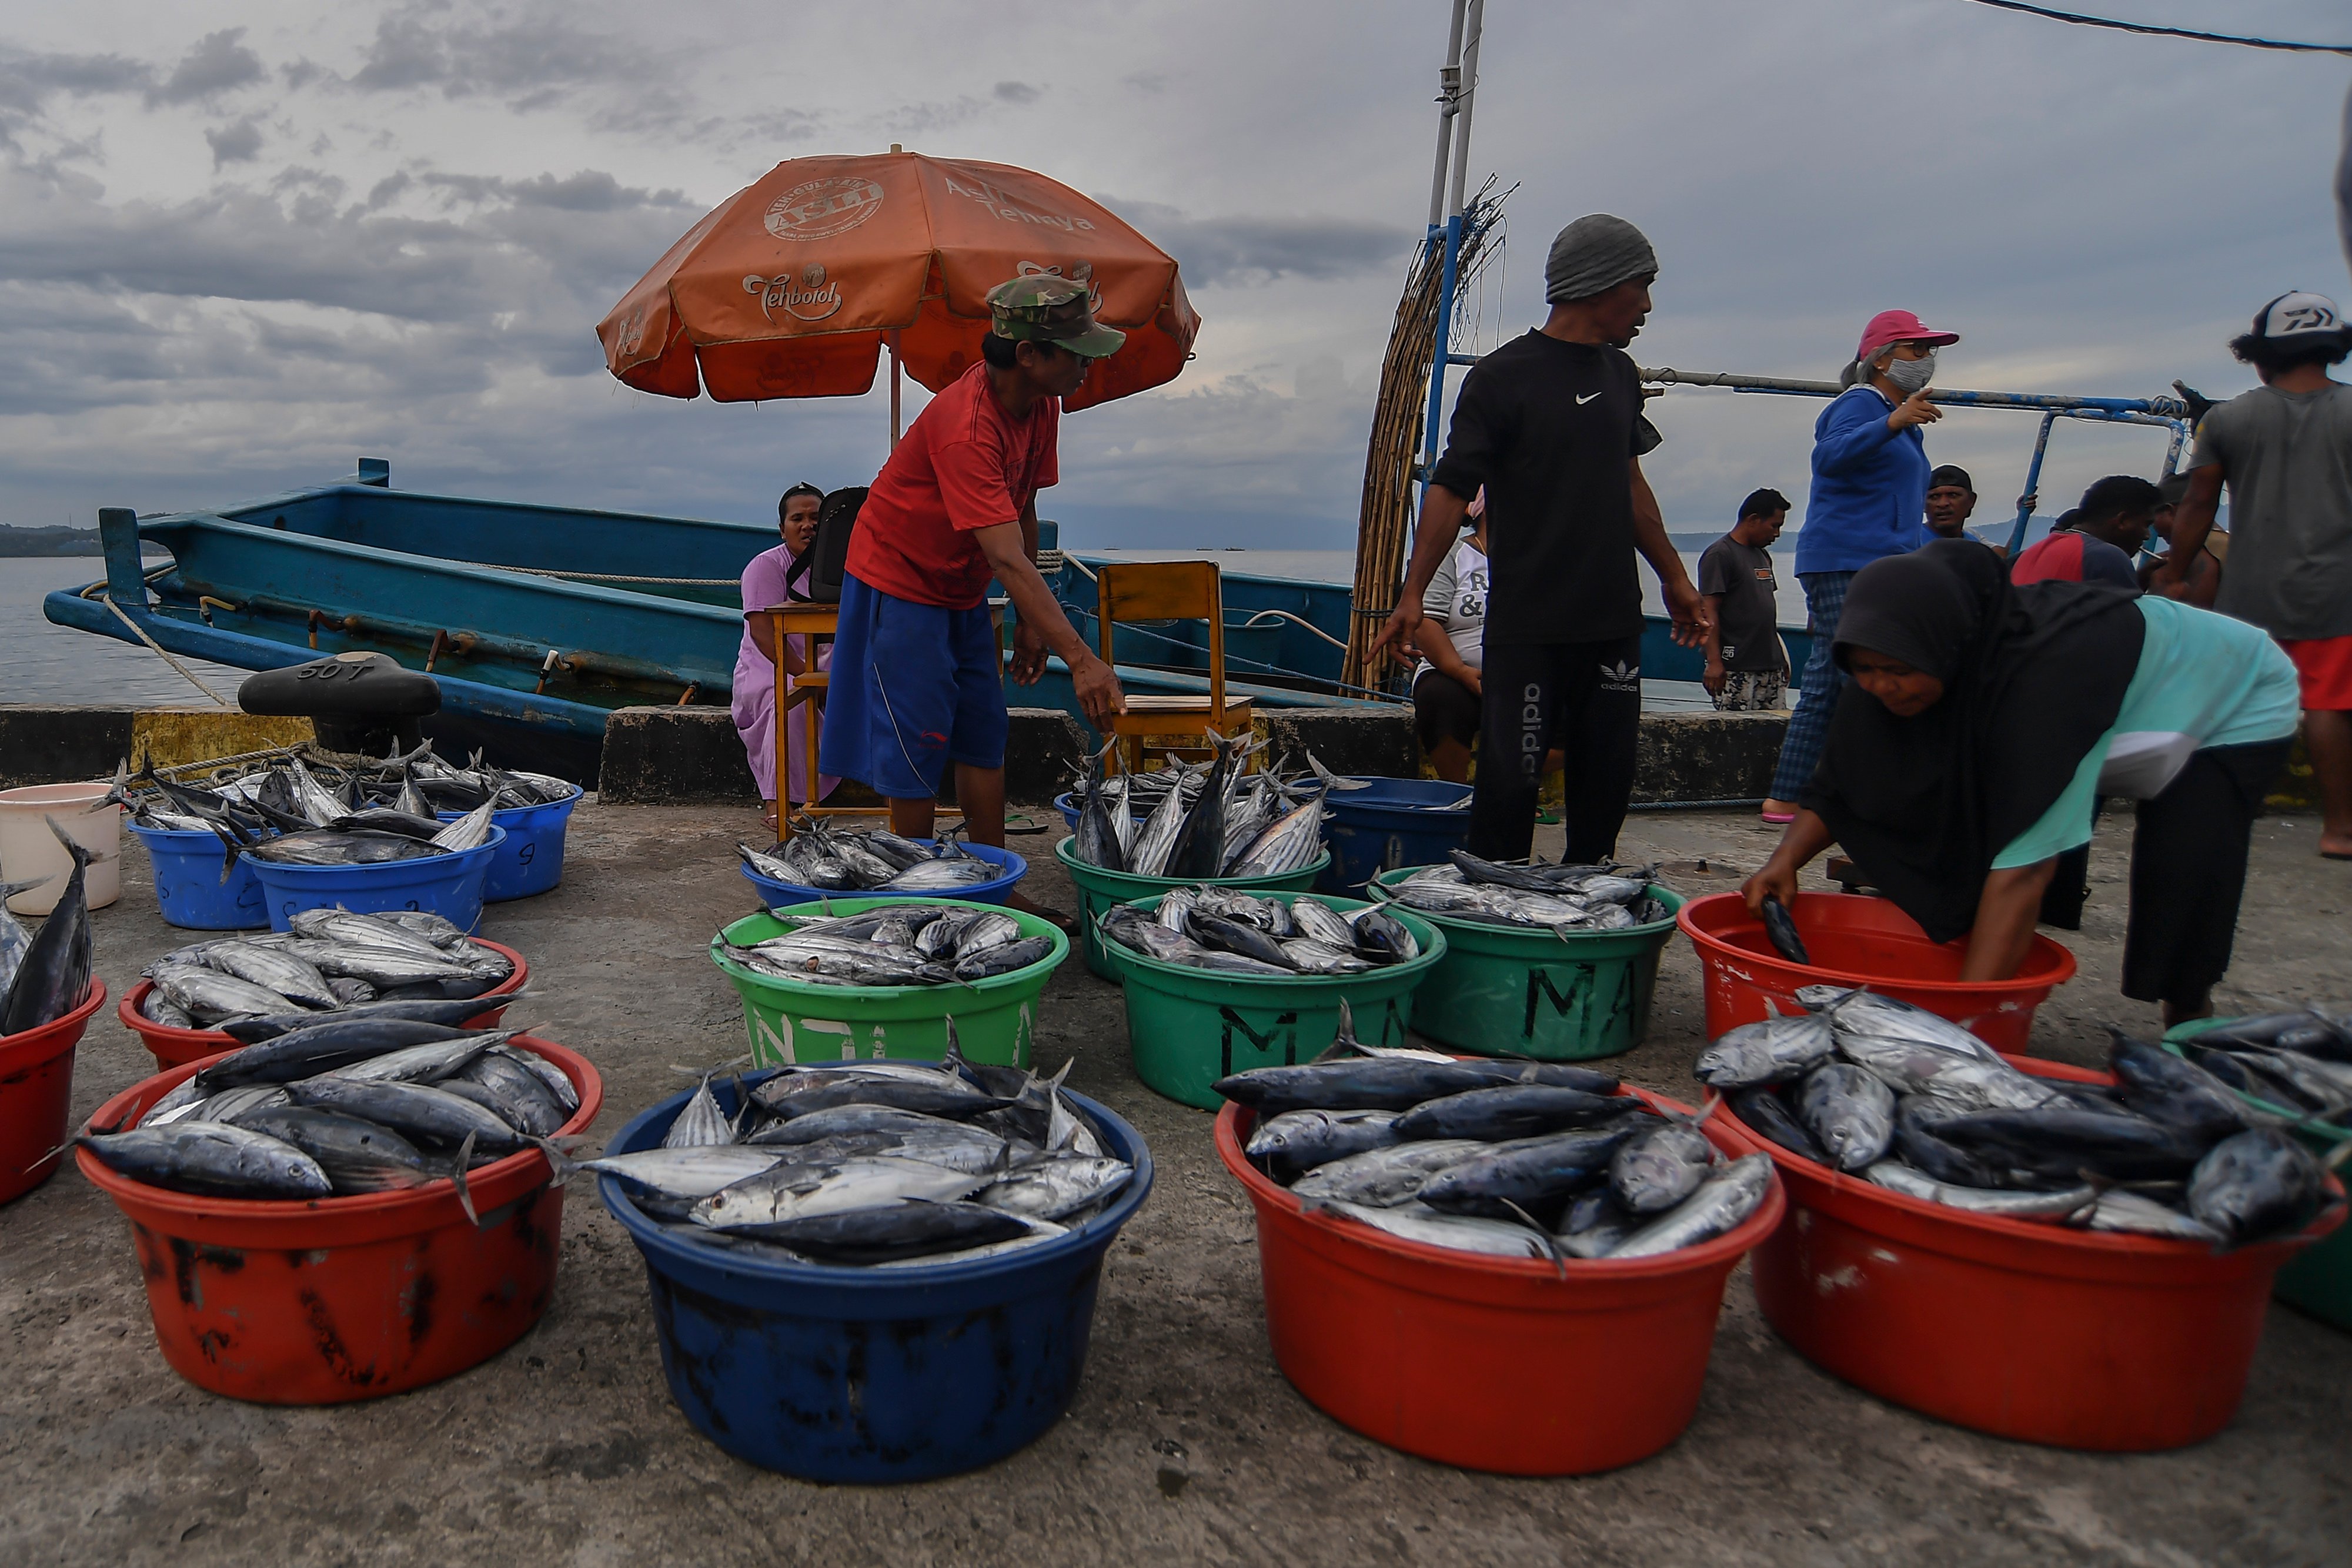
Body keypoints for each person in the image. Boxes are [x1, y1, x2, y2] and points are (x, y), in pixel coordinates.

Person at [1743, 541, 2298, 1025]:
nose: (1881, 686)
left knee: (2185, 859)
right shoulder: (1900, 651)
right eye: (1864, 669)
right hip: (2115, 695)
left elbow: (2025, 869)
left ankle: (2188, 1014)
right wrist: (1784, 861)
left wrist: (1959, 1029)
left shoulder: (2041, 696)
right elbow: (1846, 778)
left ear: (1949, 647)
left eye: (1897, 671)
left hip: (2233, 693)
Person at [1372, 213, 1710, 864]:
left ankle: (1588, 895)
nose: (1647, 305)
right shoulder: (1502, 377)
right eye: (1640, 286)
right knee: (1509, 787)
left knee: (1605, 781)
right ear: (1599, 283)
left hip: (1611, 619)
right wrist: (1412, 594)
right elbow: (1450, 488)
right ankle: (1496, 896)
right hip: (1528, 627)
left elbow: (1631, 486)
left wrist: (1675, 577)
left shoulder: (1621, 375)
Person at [817, 275, 1127, 917]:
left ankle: (993, 885)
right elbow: (1006, 557)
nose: (1088, 365)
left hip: (962, 588)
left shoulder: (1042, 404)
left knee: (984, 731)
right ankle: (918, 896)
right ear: (1029, 355)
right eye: (1077, 353)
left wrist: (1033, 624)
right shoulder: (966, 427)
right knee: (917, 744)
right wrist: (1084, 660)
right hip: (899, 583)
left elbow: (1025, 507)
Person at [2161, 290, 2352, 860]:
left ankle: (2223, 813)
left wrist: (2175, 573)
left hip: (2251, 590)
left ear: (2261, 354)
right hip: (2338, 589)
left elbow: (2197, 503)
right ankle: (2340, 831)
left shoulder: (2228, 419)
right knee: (2327, 705)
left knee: (2238, 705)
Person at [1760, 309, 1959, 824]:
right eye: (1917, 349)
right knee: (1866, 675)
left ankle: (1793, 795)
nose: (1927, 359)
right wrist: (1892, 422)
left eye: (1930, 350)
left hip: (1873, 562)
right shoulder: (1860, 403)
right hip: (1849, 560)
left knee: (1832, 676)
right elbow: (1829, 457)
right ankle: (1871, 796)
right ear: (1882, 358)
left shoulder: (1898, 417)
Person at [734, 482, 838, 828]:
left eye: (816, 518)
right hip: (770, 668)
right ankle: (778, 802)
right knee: (790, 703)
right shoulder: (765, 566)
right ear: (783, 529)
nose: (808, 525)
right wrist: (810, 679)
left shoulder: (842, 568)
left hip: (828, 665)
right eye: (798, 519)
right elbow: (764, 634)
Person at [1408, 487, 1491, 782]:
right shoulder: (1453, 556)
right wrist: (1460, 671)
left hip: (1520, 675)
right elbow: (1426, 621)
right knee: (1439, 698)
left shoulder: (1537, 560)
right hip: (1455, 673)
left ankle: (1502, 781)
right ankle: (1457, 790)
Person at [1699, 488, 1791, 710]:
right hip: (1736, 667)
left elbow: (1766, 610)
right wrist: (1714, 662)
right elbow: (1708, 611)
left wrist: (1781, 658)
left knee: (1772, 730)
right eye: (1774, 526)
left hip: (1770, 667)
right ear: (1753, 520)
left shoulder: (1763, 555)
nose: (1777, 534)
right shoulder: (1720, 555)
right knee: (1734, 728)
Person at [2010, 474, 2156, 589]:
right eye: (2146, 525)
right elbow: (2127, 616)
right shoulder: (2106, 557)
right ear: (2122, 520)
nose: (2147, 535)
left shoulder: (2025, 556)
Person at [2138, 472, 2223, 609]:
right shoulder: (2225, 543)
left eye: (2153, 520)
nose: (2153, 533)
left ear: (2170, 511)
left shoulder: (2197, 553)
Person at [1924, 464, 2000, 554]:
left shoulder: (1975, 543)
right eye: (1934, 497)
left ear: (1972, 501)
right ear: (1922, 504)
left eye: (1953, 495)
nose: (1943, 504)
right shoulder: (1913, 543)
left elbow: (2003, 558)